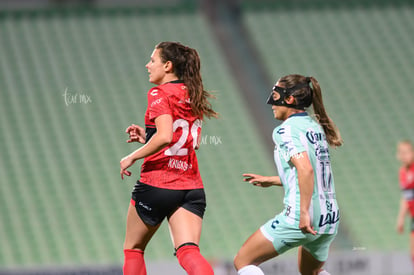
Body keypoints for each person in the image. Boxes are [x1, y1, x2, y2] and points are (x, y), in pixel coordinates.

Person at [120, 41, 217, 275]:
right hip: (191, 187)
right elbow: (191, 141)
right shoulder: (192, 93)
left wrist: (132, 156)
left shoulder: (158, 92)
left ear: (167, 66)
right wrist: (147, 137)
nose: (147, 65)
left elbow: (165, 137)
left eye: (152, 60)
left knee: (134, 249)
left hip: (158, 183)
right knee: (188, 252)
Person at [234, 74, 343, 275]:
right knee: (311, 272)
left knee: (243, 260)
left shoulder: (285, 131)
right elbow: (313, 174)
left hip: (303, 216)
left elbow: (306, 170)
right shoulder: (315, 127)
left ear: (289, 99)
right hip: (329, 217)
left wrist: (303, 213)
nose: (271, 103)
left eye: (275, 96)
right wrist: (274, 180)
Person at [396, 140, 414, 270]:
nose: (404, 155)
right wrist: (401, 218)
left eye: (406, 152)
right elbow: (406, 197)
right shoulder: (402, 172)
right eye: (401, 153)